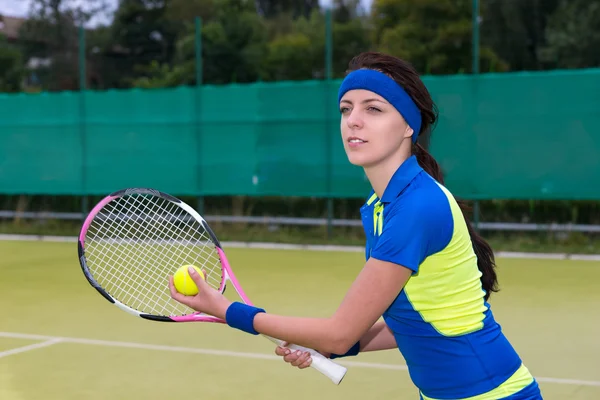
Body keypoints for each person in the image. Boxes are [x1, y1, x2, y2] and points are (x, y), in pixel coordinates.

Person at [168, 51, 543, 400]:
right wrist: (333, 347)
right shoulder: (383, 205)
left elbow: (341, 330)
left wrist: (227, 310)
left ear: (408, 126)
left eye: (374, 108)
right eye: (346, 109)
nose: (354, 120)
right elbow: (411, 323)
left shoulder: (418, 207)